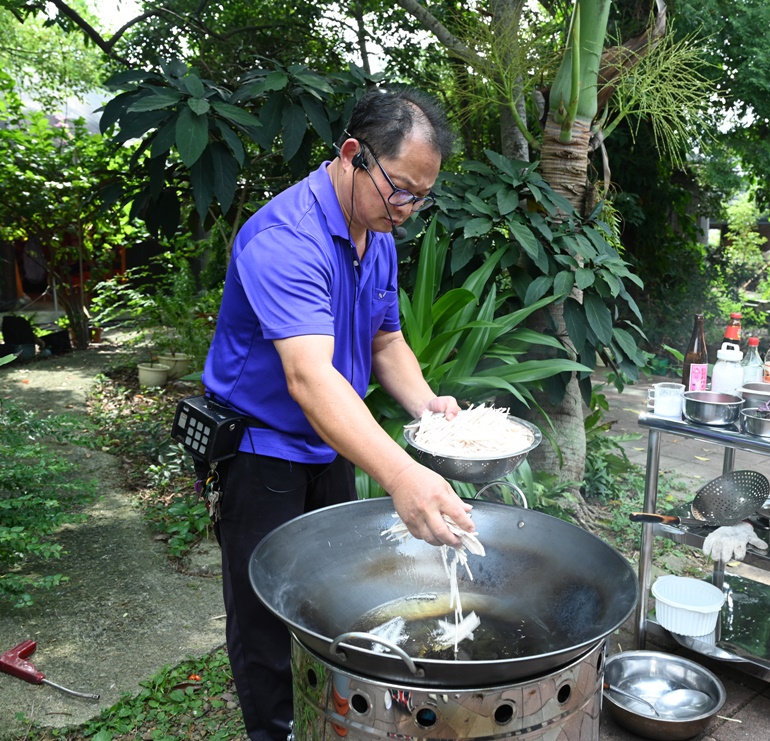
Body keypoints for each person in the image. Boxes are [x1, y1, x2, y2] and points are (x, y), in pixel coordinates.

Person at [201, 87, 475, 741]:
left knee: (339, 595)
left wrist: (427, 403)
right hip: (260, 450)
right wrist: (403, 474)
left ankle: (329, 718)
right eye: (400, 189)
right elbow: (310, 377)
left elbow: (386, 341)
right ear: (353, 155)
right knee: (266, 614)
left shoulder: (374, 231)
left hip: (331, 444)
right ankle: (277, 731)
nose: (407, 210)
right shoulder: (284, 237)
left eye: (420, 196)